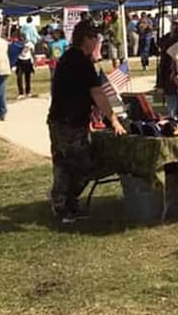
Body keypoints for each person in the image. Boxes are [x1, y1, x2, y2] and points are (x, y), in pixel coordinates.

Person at [46, 22, 126, 224]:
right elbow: (97, 92)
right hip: (69, 123)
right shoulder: (80, 61)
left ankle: (64, 205)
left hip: (60, 120)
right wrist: (113, 119)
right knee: (81, 165)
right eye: (96, 39)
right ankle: (64, 205)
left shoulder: (69, 57)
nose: (97, 43)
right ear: (87, 39)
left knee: (63, 165)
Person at [155, 16, 178, 116]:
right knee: (173, 110)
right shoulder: (168, 42)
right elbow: (163, 64)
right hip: (170, 81)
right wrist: (160, 84)